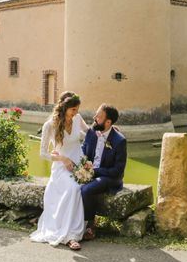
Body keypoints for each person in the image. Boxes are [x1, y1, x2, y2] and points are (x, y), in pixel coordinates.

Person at [30, 92, 89, 250]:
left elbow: (89, 133)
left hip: (80, 164)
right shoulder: (50, 125)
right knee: (73, 188)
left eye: (77, 110)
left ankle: (80, 231)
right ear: (64, 108)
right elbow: (43, 153)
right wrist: (63, 159)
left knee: (82, 188)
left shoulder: (78, 119)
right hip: (61, 167)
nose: (75, 113)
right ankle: (70, 235)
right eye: (73, 110)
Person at [80, 104, 127, 241]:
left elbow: (118, 170)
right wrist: (83, 165)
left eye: (98, 117)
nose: (94, 118)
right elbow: (83, 152)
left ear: (108, 122)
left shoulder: (119, 141)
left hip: (108, 177)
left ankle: (90, 224)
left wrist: (95, 171)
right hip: (88, 172)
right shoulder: (90, 133)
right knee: (68, 183)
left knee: (87, 190)